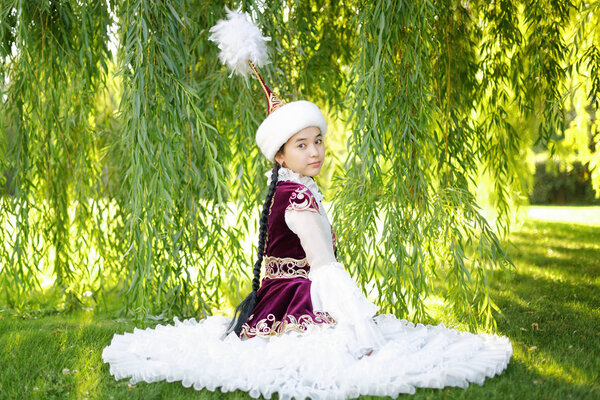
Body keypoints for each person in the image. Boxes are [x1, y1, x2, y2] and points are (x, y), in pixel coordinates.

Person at [102, 9, 512, 399]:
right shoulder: (296, 194)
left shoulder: (287, 187)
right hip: (294, 296)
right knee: (343, 349)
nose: (315, 152)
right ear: (281, 155)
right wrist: (352, 319)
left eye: (317, 140)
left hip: (276, 293)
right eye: (302, 145)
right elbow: (323, 266)